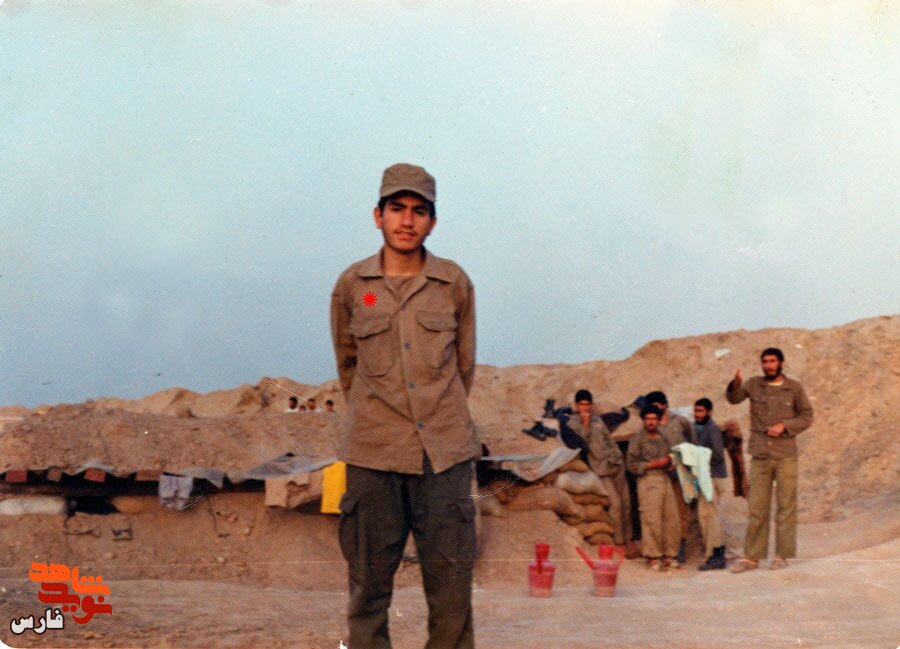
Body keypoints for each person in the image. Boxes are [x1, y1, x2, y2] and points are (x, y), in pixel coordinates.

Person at [330, 163, 478, 648]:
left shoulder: (453, 283)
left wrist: (437, 414)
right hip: (374, 456)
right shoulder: (357, 286)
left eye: (419, 211)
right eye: (397, 209)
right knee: (368, 592)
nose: (407, 220)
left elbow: (464, 367)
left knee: (452, 594)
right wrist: (378, 415)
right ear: (378, 216)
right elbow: (348, 364)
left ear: (432, 222)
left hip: (444, 459)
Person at [726, 347, 813, 573]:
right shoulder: (754, 384)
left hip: (785, 455)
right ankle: (751, 558)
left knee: (785, 506)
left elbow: (807, 416)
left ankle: (781, 555)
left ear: (781, 362)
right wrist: (735, 384)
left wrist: (785, 426)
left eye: (773, 361)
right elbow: (734, 399)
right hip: (761, 454)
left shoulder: (794, 388)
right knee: (757, 507)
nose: (768, 365)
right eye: (765, 361)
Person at [566, 389, 635, 554]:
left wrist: (617, 455)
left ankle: (629, 539)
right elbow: (583, 441)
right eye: (582, 404)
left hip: (615, 464)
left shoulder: (597, 420)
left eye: (587, 404)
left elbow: (607, 438)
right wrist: (585, 423)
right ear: (576, 405)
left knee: (626, 503)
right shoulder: (573, 423)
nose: (585, 407)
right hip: (600, 469)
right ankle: (618, 542)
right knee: (615, 505)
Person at [626, 405, 681, 570]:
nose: (650, 422)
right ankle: (653, 557)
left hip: (665, 478)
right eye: (647, 419)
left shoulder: (664, 436)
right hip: (648, 480)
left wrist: (671, 462)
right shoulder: (637, 439)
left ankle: (669, 555)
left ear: (658, 420)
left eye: (654, 419)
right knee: (652, 519)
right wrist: (654, 464)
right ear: (643, 421)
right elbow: (631, 464)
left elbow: (672, 453)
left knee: (671, 518)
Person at [646, 390, 694, 564]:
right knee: (666, 513)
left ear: (665, 405)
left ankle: (681, 547)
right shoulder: (652, 425)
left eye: (657, 406)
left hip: (682, 473)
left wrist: (684, 461)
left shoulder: (680, 421)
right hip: (662, 474)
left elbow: (693, 443)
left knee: (683, 511)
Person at [692, 398, 727, 570]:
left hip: (712, 477)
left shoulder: (712, 429)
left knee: (710, 517)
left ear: (709, 412)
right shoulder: (700, 428)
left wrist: (697, 456)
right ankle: (713, 554)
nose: (697, 415)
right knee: (706, 516)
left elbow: (718, 454)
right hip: (706, 477)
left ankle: (717, 555)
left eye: (701, 411)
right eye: (696, 411)